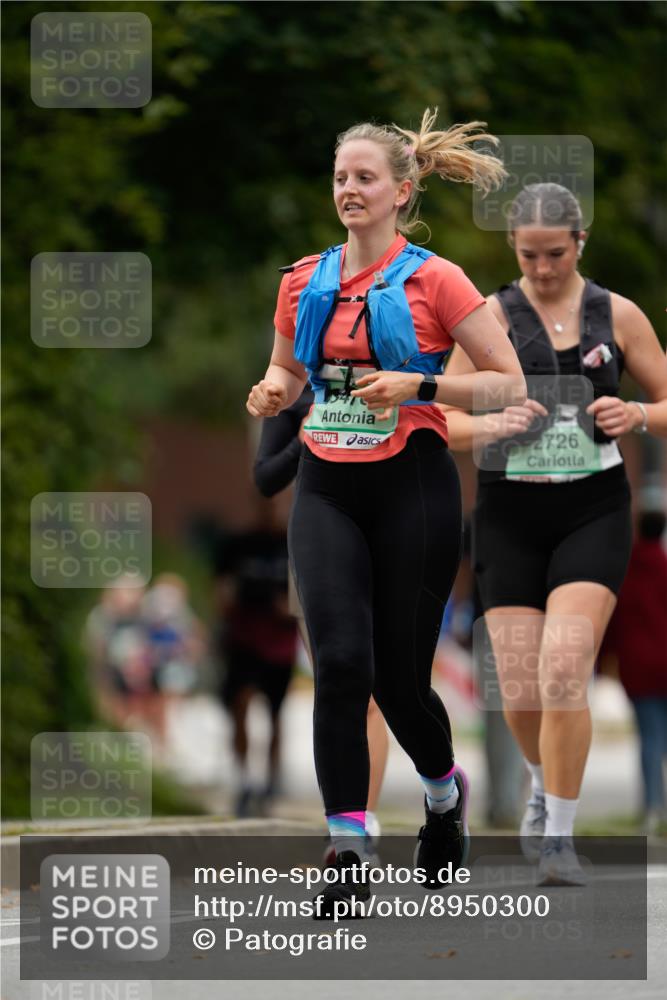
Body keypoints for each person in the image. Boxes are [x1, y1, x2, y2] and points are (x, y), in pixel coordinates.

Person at [247, 108, 526, 917]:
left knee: (403, 684)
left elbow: (506, 381)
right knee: (339, 665)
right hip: (327, 489)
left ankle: (443, 798)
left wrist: (422, 385)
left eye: (364, 177)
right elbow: (286, 377)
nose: (348, 190)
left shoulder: (437, 280)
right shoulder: (303, 279)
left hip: (413, 486)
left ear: (401, 191)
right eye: (340, 177)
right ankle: (347, 848)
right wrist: (274, 392)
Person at [442, 183, 667, 884]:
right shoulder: (487, 317)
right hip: (508, 511)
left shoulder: (616, 315)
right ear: (512, 248)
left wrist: (634, 416)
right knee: (518, 685)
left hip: (591, 510)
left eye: (554, 254)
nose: (540, 269)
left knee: (564, 666)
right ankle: (543, 783)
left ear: (580, 243)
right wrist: (491, 424)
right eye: (527, 255)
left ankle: (560, 839)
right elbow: (440, 420)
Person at [254, 385, 389, 861]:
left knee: (381, 691)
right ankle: (354, 829)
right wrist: (307, 434)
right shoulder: (293, 391)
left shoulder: (391, 373)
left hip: (390, 544)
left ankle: (364, 819)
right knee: (343, 684)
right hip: (320, 554)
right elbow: (266, 478)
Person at [214, 496, 299, 816]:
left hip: (281, 645)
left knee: (276, 714)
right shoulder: (239, 544)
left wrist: (289, 609)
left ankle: (271, 782)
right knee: (241, 703)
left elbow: (307, 595)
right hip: (245, 640)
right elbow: (220, 588)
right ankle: (243, 779)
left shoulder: (294, 545)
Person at [601, 509, 667, 833]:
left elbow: (613, 622)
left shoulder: (626, 574)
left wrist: (603, 662)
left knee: (650, 738)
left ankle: (653, 807)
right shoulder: (665, 568)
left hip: (638, 668)